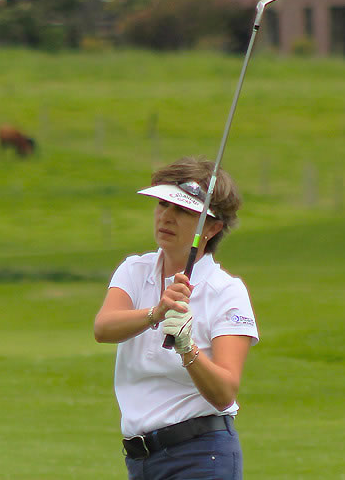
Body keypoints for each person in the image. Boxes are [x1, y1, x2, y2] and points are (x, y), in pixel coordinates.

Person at [94, 156, 259, 480]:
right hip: (141, 460)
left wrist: (188, 348)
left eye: (183, 210)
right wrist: (155, 313)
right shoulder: (134, 269)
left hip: (201, 456)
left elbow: (225, 391)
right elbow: (104, 328)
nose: (166, 217)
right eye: (162, 204)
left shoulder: (226, 292)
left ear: (212, 228)